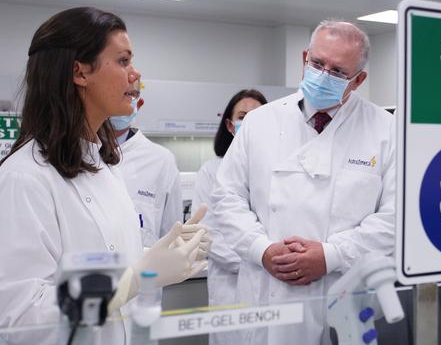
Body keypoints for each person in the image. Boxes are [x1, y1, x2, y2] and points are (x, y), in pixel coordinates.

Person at [0, 7, 208, 344]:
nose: (135, 74)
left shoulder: (104, 167)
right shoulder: (24, 178)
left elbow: (109, 263)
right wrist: (133, 280)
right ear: (79, 72)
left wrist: (165, 254)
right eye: (123, 61)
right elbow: (22, 319)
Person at [211, 20, 396, 345]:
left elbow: (396, 218)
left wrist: (331, 255)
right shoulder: (259, 122)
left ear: (359, 80)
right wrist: (262, 249)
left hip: (344, 296)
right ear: (304, 58)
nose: (323, 75)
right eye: (317, 63)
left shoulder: (386, 129)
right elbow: (227, 198)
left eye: (338, 71)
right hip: (266, 293)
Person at [192, 89, 267, 345]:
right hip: (230, 285)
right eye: (243, 116)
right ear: (229, 125)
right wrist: (261, 259)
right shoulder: (211, 171)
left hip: (272, 287)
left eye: (257, 116)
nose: (249, 122)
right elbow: (208, 234)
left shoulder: (278, 172)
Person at [112, 96, 184, 248]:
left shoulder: (162, 160)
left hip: (145, 270)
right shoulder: (76, 153)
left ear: (139, 104)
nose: (120, 102)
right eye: (118, 95)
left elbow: (172, 237)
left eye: (129, 94)